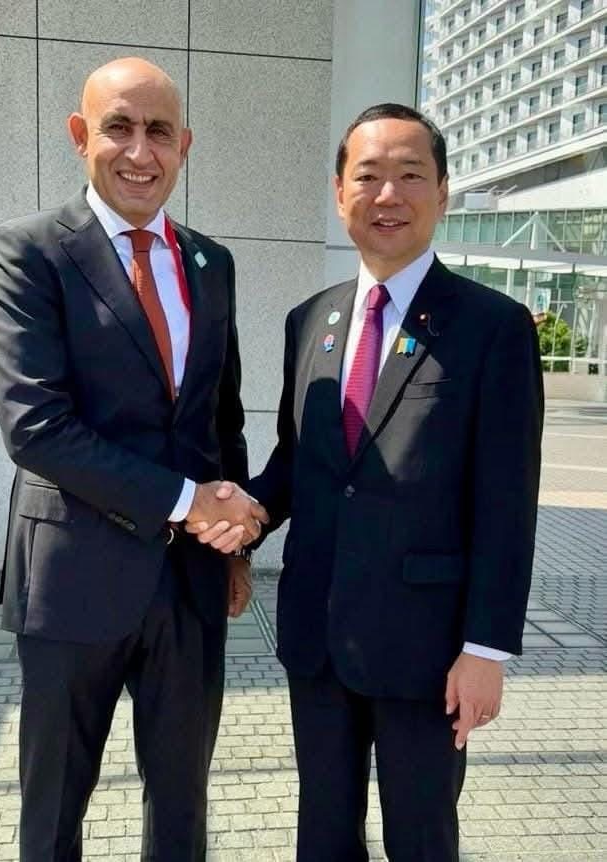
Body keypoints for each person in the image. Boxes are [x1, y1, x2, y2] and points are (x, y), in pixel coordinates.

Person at [189, 103, 543, 861]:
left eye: (410, 175)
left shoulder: (493, 327)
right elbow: (300, 464)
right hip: (318, 634)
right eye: (369, 175)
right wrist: (242, 513)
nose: (388, 195)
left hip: (428, 648)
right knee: (323, 834)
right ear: (338, 190)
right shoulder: (309, 321)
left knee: (422, 838)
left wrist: (486, 649)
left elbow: (507, 504)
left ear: (442, 193)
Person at [0, 57, 267, 862]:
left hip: (190, 586)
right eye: (119, 128)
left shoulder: (212, 263)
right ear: (81, 135)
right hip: (71, 579)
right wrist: (187, 499)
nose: (141, 152)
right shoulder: (28, 252)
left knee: (181, 810)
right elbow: (36, 426)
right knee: (53, 813)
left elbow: (221, 417)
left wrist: (236, 546)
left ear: (185, 147)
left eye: (159, 132)